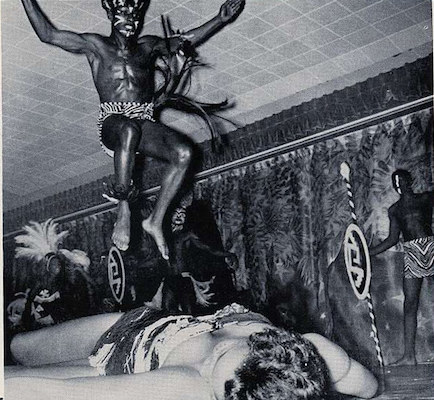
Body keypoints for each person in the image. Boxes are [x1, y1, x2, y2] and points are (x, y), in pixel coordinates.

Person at [21, 0, 245, 259]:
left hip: (143, 120)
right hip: (113, 123)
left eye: (135, 15)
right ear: (111, 14)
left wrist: (219, 19)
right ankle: (124, 208)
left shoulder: (148, 46)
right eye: (123, 13)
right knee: (128, 129)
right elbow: (48, 35)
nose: (131, 20)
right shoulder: (96, 46)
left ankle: (155, 221)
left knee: (184, 153)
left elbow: (183, 41)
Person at [5, 303, 378, 400]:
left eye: (213, 368)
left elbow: (54, 393)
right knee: (20, 345)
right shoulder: (314, 351)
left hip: (113, 364)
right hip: (135, 323)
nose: (212, 352)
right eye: (225, 350)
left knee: (14, 375)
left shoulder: (187, 386)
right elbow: (370, 388)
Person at [370, 169, 434, 365]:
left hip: (431, 247)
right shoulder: (395, 210)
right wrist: (368, 252)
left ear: (410, 180)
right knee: (410, 303)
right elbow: (391, 239)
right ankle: (409, 356)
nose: (398, 184)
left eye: (401, 180)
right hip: (412, 252)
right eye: (395, 182)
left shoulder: (426, 198)